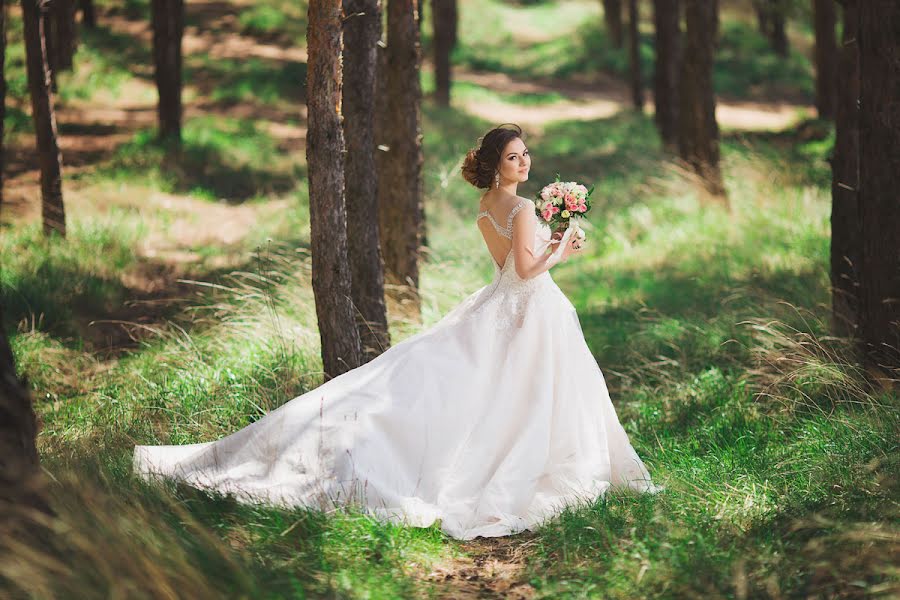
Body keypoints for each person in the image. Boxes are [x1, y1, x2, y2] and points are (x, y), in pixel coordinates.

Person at [133, 123, 663, 541]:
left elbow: (505, 267)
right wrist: (561, 251)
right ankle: (529, 465)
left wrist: (546, 249)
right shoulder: (523, 206)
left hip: (500, 307)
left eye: (524, 154)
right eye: (513, 156)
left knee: (484, 391)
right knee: (524, 395)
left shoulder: (487, 208)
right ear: (495, 166)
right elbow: (524, 273)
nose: (523, 162)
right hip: (529, 310)